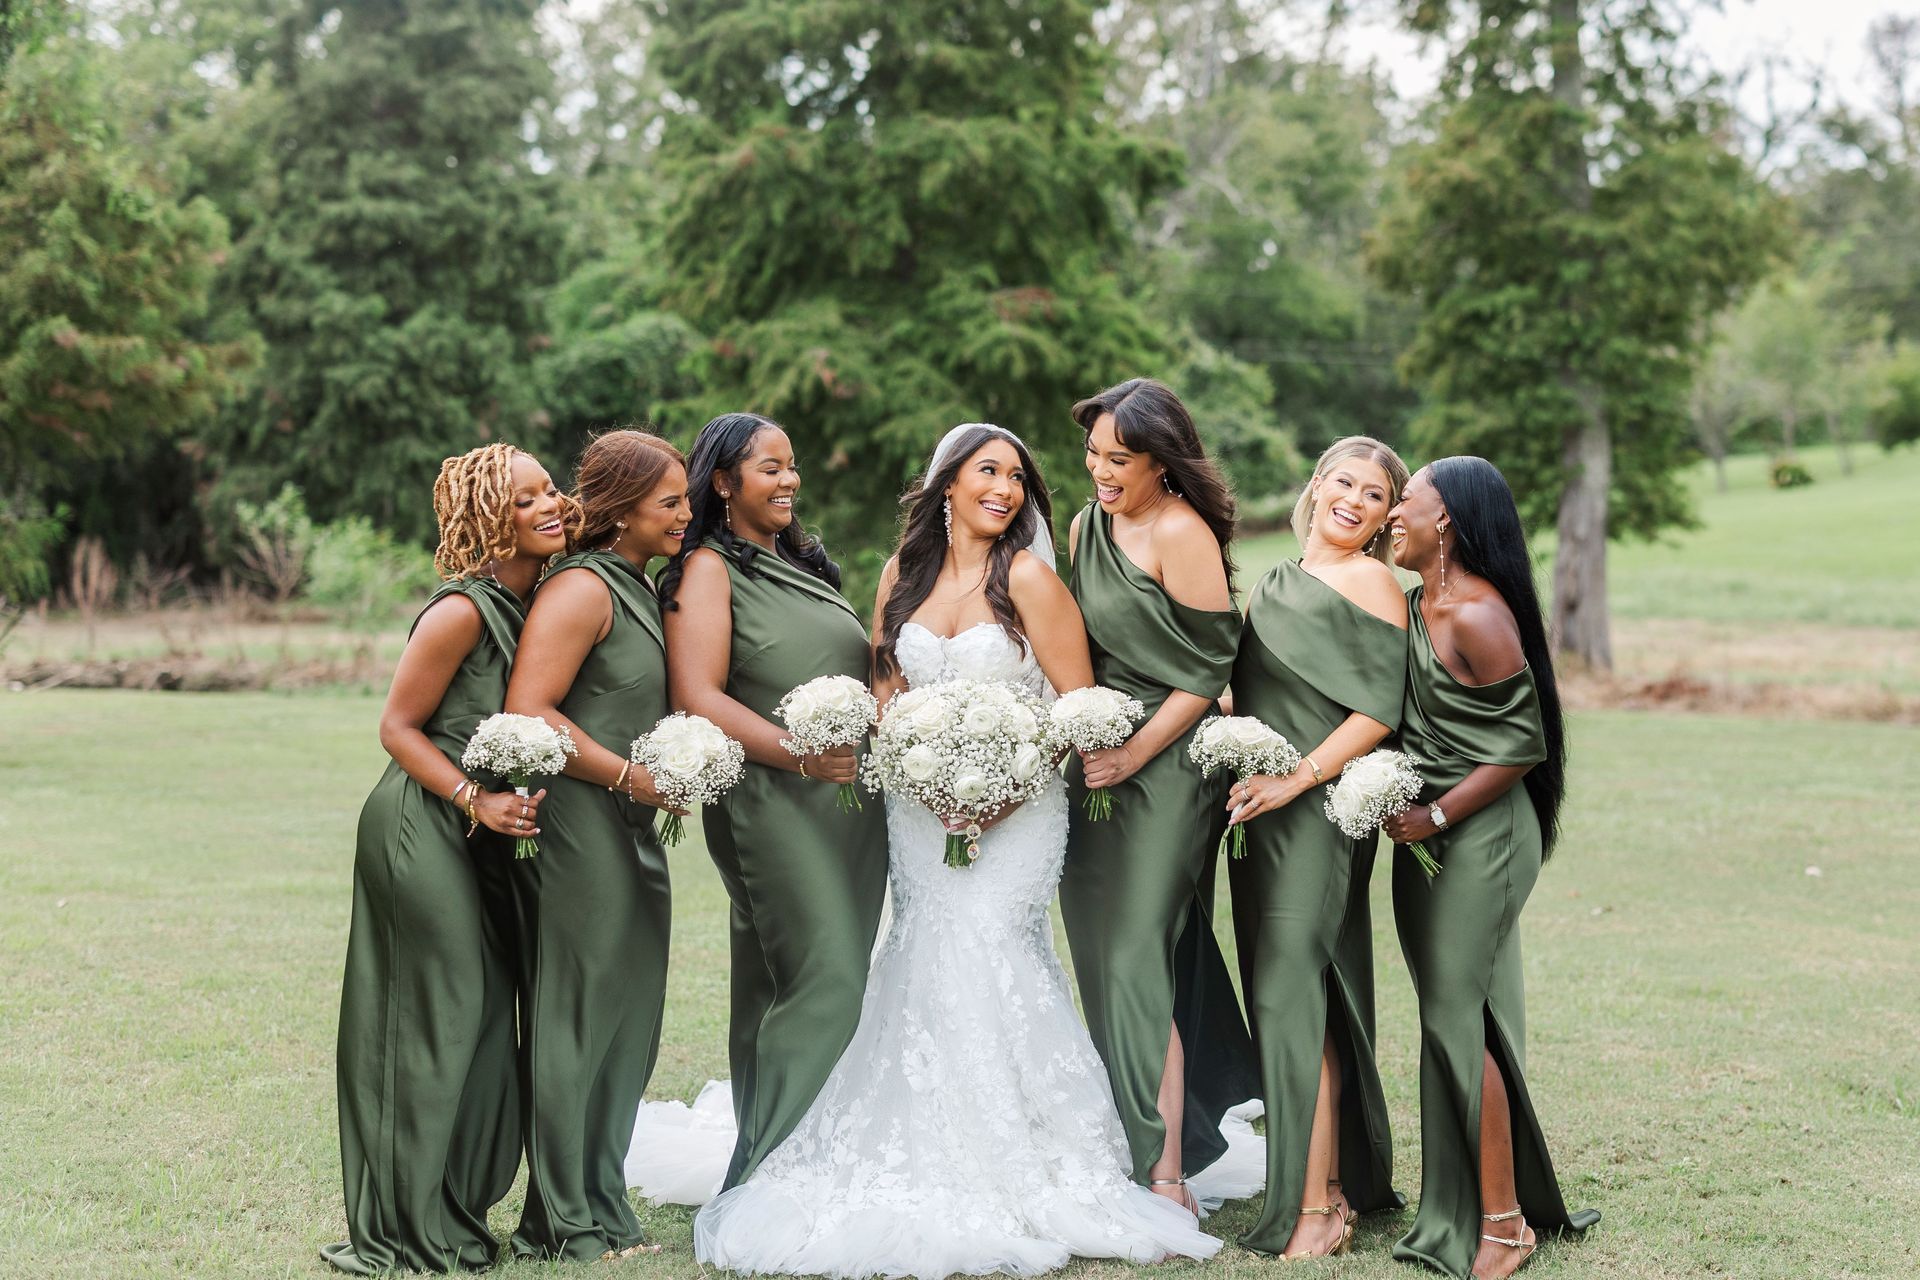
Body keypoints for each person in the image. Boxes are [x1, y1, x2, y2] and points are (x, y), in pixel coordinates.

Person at [688, 423, 1220, 1277]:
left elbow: (1072, 709)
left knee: (993, 948)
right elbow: (887, 691)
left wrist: (1002, 791)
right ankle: (921, 1138)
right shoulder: (903, 576)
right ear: (947, 484)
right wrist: (928, 781)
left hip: (1024, 807)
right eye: (988, 472)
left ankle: (1027, 1155)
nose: (1006, 489)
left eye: (1017, 476)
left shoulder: (1034, 580)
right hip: (917, 808)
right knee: (921, 949)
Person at [327, 444, 565, 1275]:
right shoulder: (461, 611)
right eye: (529, 495)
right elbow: (396, 727)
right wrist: (476, 801)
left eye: (552, 489)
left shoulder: (536, 601)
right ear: (489, 514)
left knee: (484, 1024)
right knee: (436, 1015)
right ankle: (398, 1226)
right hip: (419, 826)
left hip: (484, 839)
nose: (553, 503)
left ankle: (451, 1206)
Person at [1382, 457, 1601, 1280]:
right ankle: (1468, 1204)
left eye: (1407, 499)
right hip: (1423, 833)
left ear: (1449, 520)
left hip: (1479, 834)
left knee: (1452, 1019)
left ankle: (1504, 1225)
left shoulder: (1478, 614)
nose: (1394, 512)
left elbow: (1522, 744)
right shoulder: (1412, 604)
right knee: (1452, 1015)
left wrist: (1435, 814)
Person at [658, 413, 888, 1190]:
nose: (789, 480)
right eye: (769, 468)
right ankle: (761, 1176)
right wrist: (799, 755)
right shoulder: (709, 571)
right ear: (722, 482)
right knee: (830, 980)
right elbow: (697, 694)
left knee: (771, 985)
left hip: (846, 807)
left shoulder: (801, 564)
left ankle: (785, 1157)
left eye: (792, 466)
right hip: (771, 799)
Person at [1059, 378, 1259, 1211]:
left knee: (1139, 950)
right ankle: (1138, 1135)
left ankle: (1163, 1168)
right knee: (1104, 956)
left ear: (1161, 461)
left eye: (1119, 458)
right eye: (1093, 454)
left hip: (1170, 765)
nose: (1101, 471)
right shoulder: (1084, 526)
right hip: (1095, 761)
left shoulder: (1181, 532)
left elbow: (1211, 667)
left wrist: (1137, 751)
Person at [502, 429, 690, 1261]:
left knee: (628, 1017)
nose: (687, 514)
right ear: (621, 512)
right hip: (582, 825)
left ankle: (603, 1203)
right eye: (671, 503)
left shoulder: (641, 587)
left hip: (632, 825)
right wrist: (629, 778)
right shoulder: (581, 589)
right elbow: (529, 709)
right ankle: (563, 1220)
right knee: (578, 1017)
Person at [1224, 437, 1410, 1258]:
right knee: (1295, 997)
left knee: (1290, 992)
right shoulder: (1273, 581)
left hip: (1318, 810)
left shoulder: (1372, 581)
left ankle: (1314, 1207)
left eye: (1375, 496)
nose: (1355, 500)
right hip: (1257, 813)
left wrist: (1296, 778)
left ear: (1383, 518)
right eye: (1345, 482)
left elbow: (1378, 709)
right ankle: (1327, 1189)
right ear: (1317, 484)